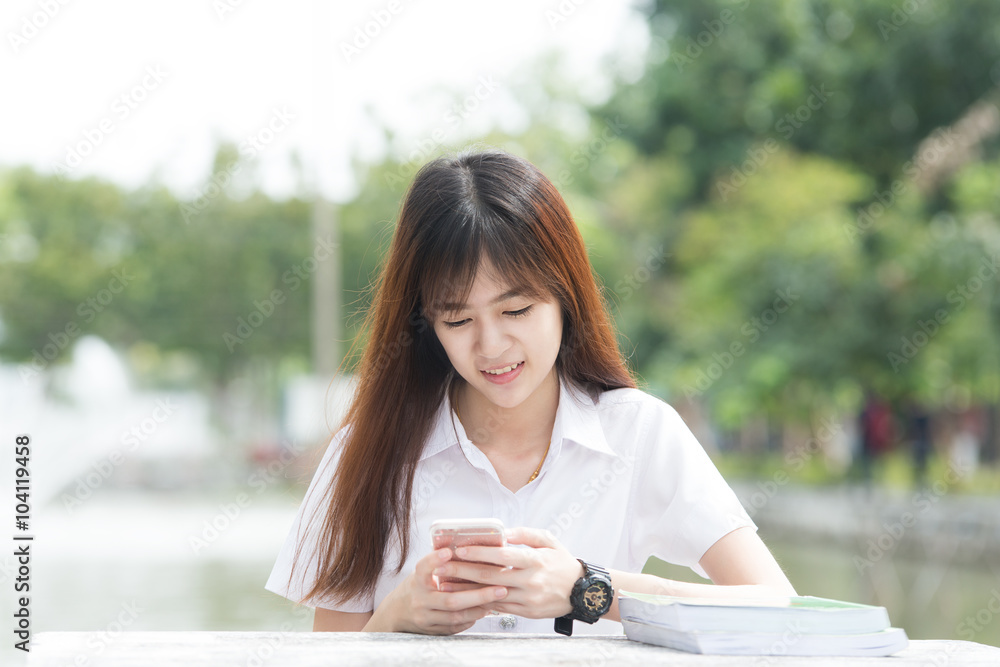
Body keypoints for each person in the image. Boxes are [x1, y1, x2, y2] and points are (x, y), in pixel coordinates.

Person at [265, 148, 796, 636]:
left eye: (516, 311)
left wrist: (590, 588)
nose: (491, 346)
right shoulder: (366, 455)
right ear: (425, 323)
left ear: (566, 296)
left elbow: (779, 607)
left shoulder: (639, 433)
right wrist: (393, 618)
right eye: (457, 320)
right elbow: (326, 656)